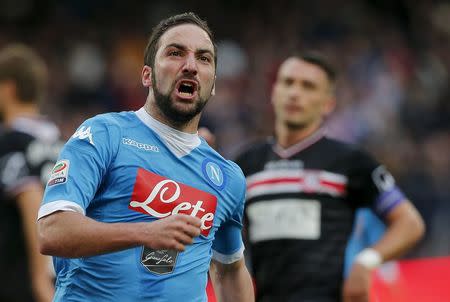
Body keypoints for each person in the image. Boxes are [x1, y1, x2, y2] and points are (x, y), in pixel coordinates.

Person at [37, 12, 254, 302]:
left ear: (212, 83)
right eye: (176, 53)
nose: (190, 65)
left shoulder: (227, 177)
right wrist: (146, 232)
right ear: (147, 75)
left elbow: (231, 270)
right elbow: (52, 231)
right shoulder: (104, 133)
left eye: (203, 58)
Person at [234, 52, 425, 302]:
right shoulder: (245, 164)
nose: (295, 93)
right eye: (288, 82)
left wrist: (366, 262)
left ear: (328, 104)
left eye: (308, 86)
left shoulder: (351, 161)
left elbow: (409, 223)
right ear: (274, 91)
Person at [0, 44, 57, 302]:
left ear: (8, 88)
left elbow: (30, 198)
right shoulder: (61, 140)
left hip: (21, 281)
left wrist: (39, 280)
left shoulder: (11, 141)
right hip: (60, 273)